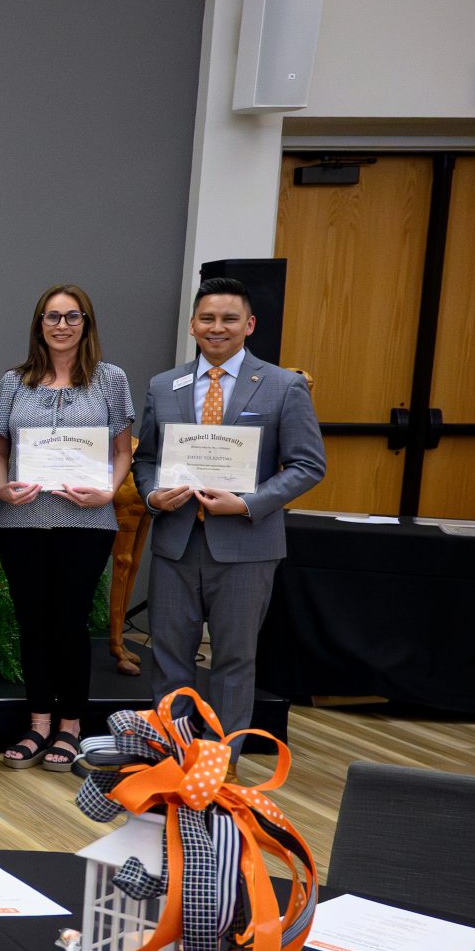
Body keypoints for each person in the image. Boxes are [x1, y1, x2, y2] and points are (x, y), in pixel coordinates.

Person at [132, 278, 326, 724]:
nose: (217, 327)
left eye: (229, 319)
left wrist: (245, 504)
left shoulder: (283, 386)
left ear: (249, 324)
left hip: (246, 545)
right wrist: (154, 495)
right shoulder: (165, 385)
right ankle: (175, 757)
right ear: (193, 326)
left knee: (235, 662)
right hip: (176, 542)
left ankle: (223, 764)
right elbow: (146, 459)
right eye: (207, 318)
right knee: (168, 659)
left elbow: (308, 465)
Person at [0, 285, 135, 769]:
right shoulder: (14, 381)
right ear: (39, 324)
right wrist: (0, 489)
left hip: (87, 520)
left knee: (70, 623)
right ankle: (38, 724)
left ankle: (71, 726)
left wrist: (110, 491)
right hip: (22, 520)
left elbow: (122, 451)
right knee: (33, 623)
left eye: (73, 317)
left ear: (87, 324)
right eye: (52, 317)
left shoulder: (110, 380)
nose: (62, 325)